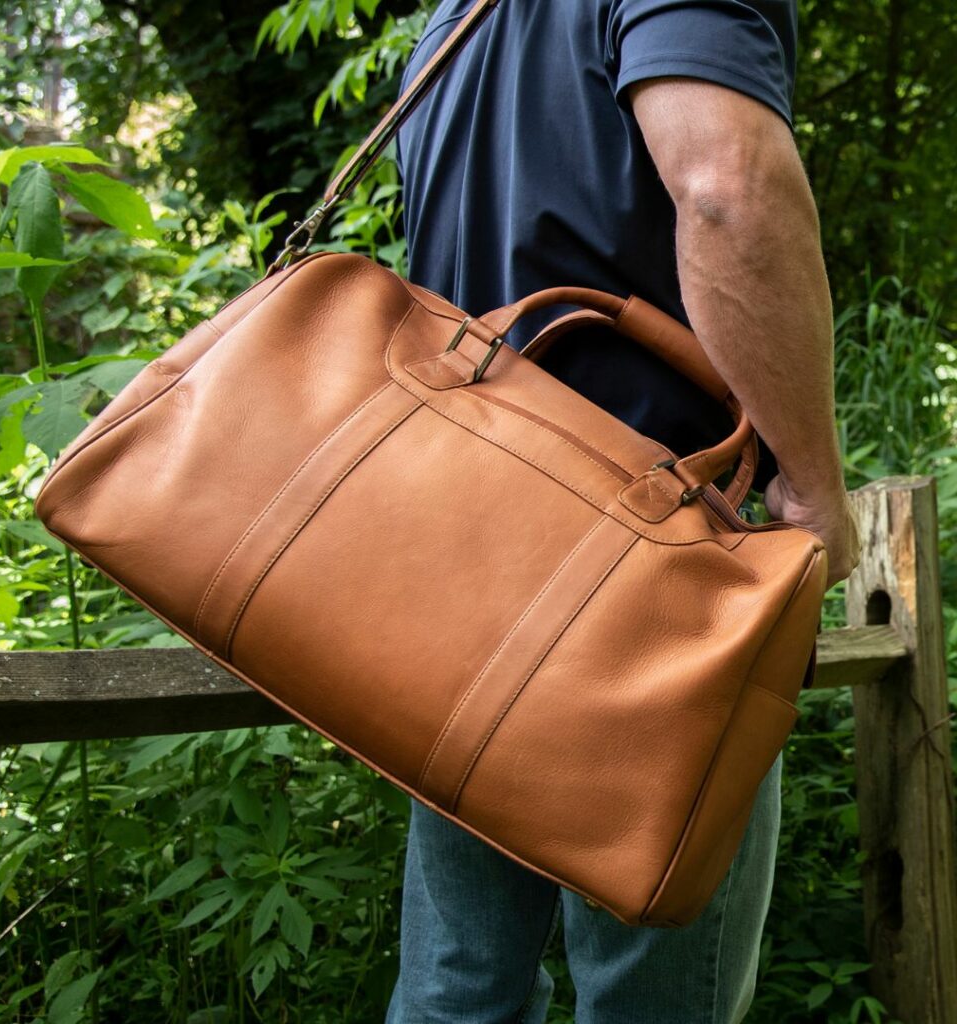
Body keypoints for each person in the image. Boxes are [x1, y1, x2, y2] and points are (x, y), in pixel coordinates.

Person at [384, 1, 861, 1021]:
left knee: (457, 983)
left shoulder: (455, 23)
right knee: (654, 997)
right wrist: (813, 487)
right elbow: (727, 190)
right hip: (648, 560)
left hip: (454, 560)